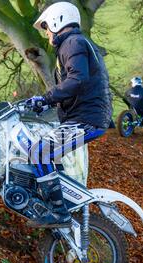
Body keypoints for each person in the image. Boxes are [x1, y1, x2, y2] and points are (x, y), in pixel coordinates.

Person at [25, 2, 113, 228]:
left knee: (39, 153)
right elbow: (75, 86)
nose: (46, 33)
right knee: (46, 154)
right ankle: (58, 201)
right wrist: (46, 105)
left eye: (46, 27)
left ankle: (58, 213)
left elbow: (77, 80)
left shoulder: (72, 43)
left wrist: (46, 97)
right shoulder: (74, 44)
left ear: (58, 21)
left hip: (86, 120)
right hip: (86, 117)